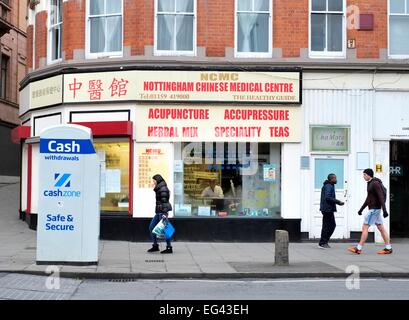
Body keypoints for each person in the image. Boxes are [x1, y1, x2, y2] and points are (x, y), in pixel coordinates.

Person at [348, 168, 392, 255]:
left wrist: (385, 210)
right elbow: (368, 198)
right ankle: (388, 248)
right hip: (375, 209)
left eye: (364, 175)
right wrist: (361, 209)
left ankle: (358, 248)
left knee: (365, 227)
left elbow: (380, 196)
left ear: (368, 175)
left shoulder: (375, 183)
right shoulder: (370, 183)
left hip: (374, 209)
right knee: (381, 228)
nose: (363, 176)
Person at [147, 174, 173, 254]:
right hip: (159, 211)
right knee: (151, 227)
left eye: (154, 180)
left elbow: (164, 202)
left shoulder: (163, 189)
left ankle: (169, 247)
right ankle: (155, 246)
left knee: (166, 229)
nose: (153, 182)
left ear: (157, 180)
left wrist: (164, 214)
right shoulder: (159, 188)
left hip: (162, 212)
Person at [318, 173, 344, 249]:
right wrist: (338, 202)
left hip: (327, 209)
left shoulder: (329, 185)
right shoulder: (329, 186)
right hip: (327, 209)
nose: (336, 180)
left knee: (329, 225)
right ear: (331, 179)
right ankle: (323, 243)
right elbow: (328, 197)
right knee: (329, 226)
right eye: (335, 178)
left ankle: (323, 242)